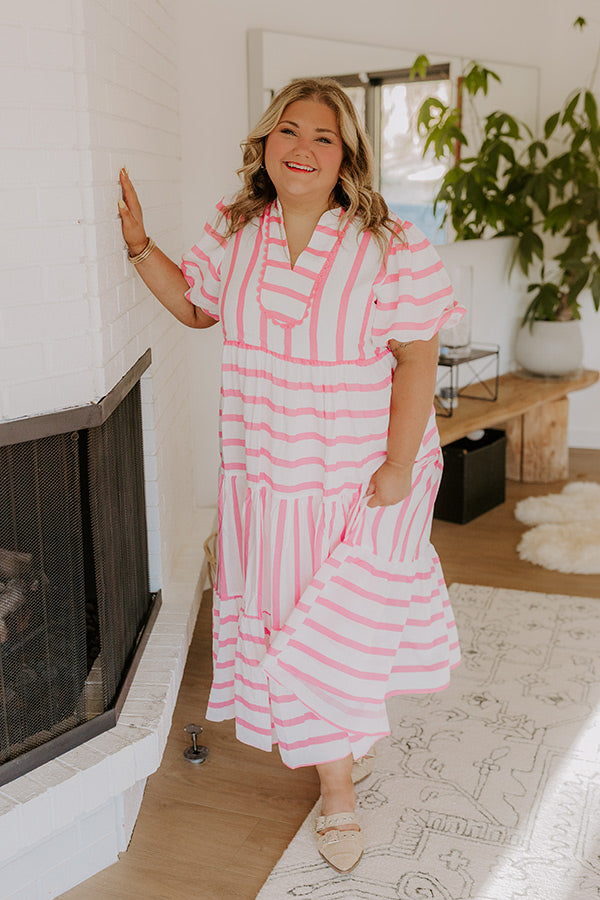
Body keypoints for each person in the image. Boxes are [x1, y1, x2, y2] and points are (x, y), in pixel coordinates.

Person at [118, 76, 463, 874]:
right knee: (298, 619)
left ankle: (336, 792)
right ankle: (345, 743)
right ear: (266, 143)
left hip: (354, 471)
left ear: (347, 159)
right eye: (290, 132)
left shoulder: (391, 246)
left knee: (326, 625)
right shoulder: (235, 231)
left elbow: (417, 360)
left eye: (324, 138)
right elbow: (197, 309)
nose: (303, 148)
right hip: (266, 471)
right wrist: (139, 248)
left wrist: (397, 465)